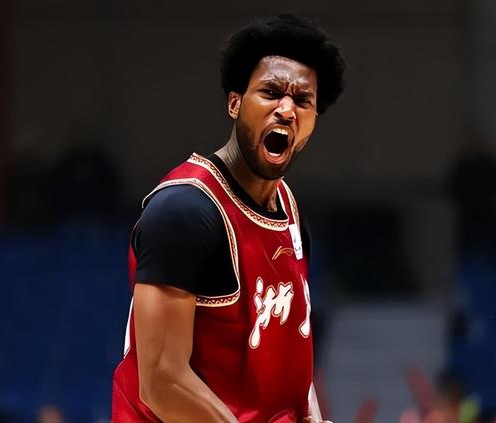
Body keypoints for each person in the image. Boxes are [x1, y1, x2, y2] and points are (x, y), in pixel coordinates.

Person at [112, 14, 346, 423]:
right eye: (271, 92)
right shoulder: (184, 211)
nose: (286, 109)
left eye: (302, 101)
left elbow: (292, 356)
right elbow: (162, 382)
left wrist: (309, 415)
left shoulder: (289, 209)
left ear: (312, 121)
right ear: (235, 103)